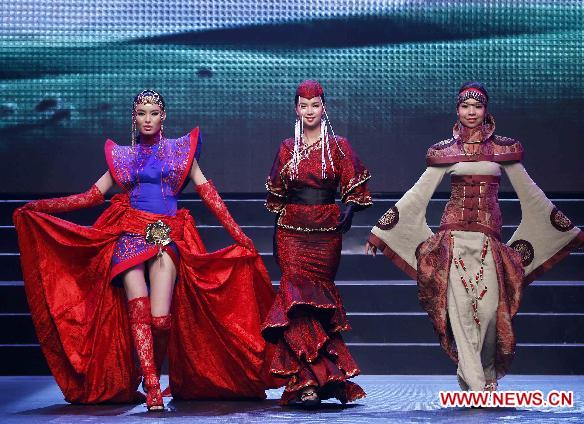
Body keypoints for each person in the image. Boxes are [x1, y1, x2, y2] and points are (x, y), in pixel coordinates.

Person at [14, 89, 276, 411]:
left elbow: (209, 194)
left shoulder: (181, 152)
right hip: (130, 235)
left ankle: (149, 371)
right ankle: (152, 385)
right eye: (141, 113)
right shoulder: (123, 157)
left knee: (160, 320)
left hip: (165, 234)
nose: (147, 119)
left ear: (163, 116)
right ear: (134, 117)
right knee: (138, 310)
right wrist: (39, 207)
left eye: (153, 113)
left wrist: (238, 233)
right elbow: (89, 197)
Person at [366, 82, 584, 392]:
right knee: (460, 314)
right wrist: (381, 231)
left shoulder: (504, 149)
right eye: (465, 106)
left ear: (486, 110)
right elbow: (418, 194)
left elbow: (532, 196)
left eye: (477, 106)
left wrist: (570, 232)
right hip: (454, 241)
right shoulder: (445, 151)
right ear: (457, 110)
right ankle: (476, 385)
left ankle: (484, 375)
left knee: (487, 313)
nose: (471, 112)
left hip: (488, 244)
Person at [261, 80, 372, 406]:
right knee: (296, 305)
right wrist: (275, 231)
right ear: (297, 109)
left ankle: (319, 380)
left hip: (325, 235)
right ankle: (307, 384)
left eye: (315, 105)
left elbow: (354, 182)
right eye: (304, 105)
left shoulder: (338, 146)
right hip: (291, 234)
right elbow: (277, 195)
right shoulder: (287, 148)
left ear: (324, 107)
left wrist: (349, 210)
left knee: (317, 306)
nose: (310, 111)